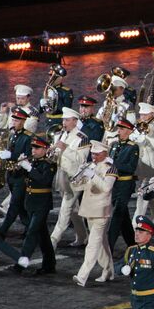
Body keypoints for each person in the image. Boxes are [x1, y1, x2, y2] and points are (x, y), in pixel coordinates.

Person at [72, 140, 118, 287]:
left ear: (105, 153)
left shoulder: (111, 169)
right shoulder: (90, 165)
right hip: (89, 209)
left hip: (101, 211)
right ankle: (109, 270)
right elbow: (77, 186)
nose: (94, 156)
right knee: (101, 243)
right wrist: (79, 176)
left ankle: (82, 275)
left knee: (92, 245)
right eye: (92, 153)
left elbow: (106, 188)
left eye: (97, 154)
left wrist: (92, 175)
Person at [11, 136, 57, 275]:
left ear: (45, 149)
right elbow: (17, 176)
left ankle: (21, 263)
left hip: (42, 203)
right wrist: (18, 167)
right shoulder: (32, 162)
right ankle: (49, 264)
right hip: (30, 202)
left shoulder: (49, 164)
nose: (34, 150)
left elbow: (44, 180)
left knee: (31, 233)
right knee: (42, 235)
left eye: (37, 148)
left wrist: (29, 168)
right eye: (33, 148)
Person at [49, 107, 90, 249]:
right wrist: (52, 153)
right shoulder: (60, 135)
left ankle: (53, 239)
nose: (64, 122)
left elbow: (81, 159)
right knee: (73, 209)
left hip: (75, 178)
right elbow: (58, 157)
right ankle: (83, 236)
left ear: (74, 121)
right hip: (61, 175)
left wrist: (65, 148)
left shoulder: (82, 138)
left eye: (66, 120)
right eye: (63, 120)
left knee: (65, 208)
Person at [0, 109, 33, 239]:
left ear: (23, 121)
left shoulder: (28, 137)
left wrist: (11, 155)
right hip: (11, 175)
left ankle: (2, 231)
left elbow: (30, 156)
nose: (14, 122)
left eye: (17, 120)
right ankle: (31, 229)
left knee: (14, 205)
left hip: (22, 177)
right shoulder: (12, 135)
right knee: (21, 207)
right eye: (13, 119)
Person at [108, 119, 140, 255]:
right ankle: (133, 244)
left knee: (116, 215)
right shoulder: (114, 145)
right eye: (118, 129)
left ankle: (108, 248)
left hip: (125, 184)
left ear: (129, 131)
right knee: (123, 217)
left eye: (121, 129)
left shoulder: (133, 147)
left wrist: (113, 163)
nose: (118, 131)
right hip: (114, 184)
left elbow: (130, 167)